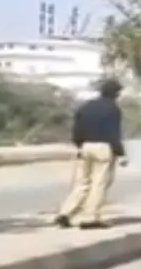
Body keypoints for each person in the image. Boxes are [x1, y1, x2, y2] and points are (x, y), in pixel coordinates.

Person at [54, 79, 127, 229]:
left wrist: (80, 145)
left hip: (85, 147)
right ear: (116, 93)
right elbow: (113, 133)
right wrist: (120, 153)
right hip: (103, 148)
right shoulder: (112, 109)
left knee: (82, 183)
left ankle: (65, 212)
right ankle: (90, 218)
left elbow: (77, 129)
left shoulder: (87, 106)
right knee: (98, 183)